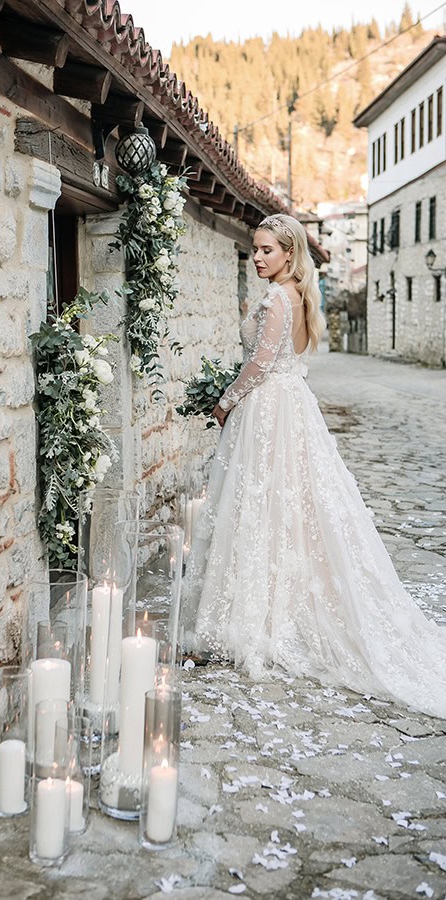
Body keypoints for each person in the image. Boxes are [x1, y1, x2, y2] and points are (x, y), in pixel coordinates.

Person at [182, 213, 446, 718]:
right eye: (255, 249)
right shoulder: (299, 296)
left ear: (289, 253)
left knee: (264, 501)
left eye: (267, 250)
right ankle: (271, 603)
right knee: (287, 504)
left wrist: (225, 400)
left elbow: (261, 363)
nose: (258, 257)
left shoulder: (277, 299)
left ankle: (258, 616)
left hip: (268, 407)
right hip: (290, 404)